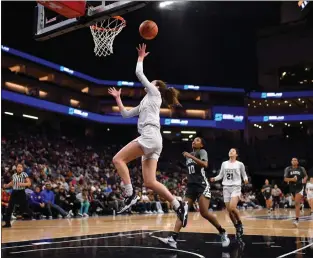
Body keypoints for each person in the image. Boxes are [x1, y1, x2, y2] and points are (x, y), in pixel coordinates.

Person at [108, 43, 188, 227]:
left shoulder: (155, 94)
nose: (149, 82)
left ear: (156, 87)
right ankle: (178, 204)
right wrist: (118, 99)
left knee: (118, 160)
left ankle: (130, 194)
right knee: (150, 182)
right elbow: (126, 114)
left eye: (152, 82)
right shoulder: (146, 100)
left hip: (150, 135)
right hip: (154, 139)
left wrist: (141, 57)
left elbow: (139, 74)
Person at [157, 137, 230, 249]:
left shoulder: (202, 152)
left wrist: (191, 156)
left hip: (202, 185)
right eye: (193, 140)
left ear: (201, 145)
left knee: (204, 213)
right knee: (183, 210)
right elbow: (193, 171)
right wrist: (187, 178)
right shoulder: (189, 155)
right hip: (191, 187)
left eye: (197, 140)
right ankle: (173, 239)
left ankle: (222, 232)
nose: (194, 141)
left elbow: (205, 165)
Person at [210, 148, 248, 243]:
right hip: (226, 187)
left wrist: (246, 179)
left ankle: (239, 223)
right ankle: (236, 227)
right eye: (230, 150)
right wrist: (214, 179)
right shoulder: (224, 163)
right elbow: (221, 175)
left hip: (236, 187)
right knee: (229, 211)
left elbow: (244, 175)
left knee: (232, 207)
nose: (231, 151)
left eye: (233, 151)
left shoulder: (240, 164)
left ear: (236, 154)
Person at [2, 163, 33, 228]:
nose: (19, 168)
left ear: (22, 168)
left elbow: (29, 183)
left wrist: (22, 184)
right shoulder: (14, 175)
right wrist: (6, 185)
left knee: (24, 207)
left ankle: (31, 214)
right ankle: (7, 223)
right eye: (18, 167)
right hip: (14, 192)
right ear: (16, 168)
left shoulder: (24, 174)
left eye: (20, 167)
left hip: (21, 192)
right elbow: (12, 183)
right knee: (9, 207)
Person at [284, 157, 308, 227]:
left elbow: (306, 176)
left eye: (295, 160)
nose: (294, 161)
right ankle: (299, 209)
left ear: (297, 162)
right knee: (296, 204)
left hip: (300, 187)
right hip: (292, 188)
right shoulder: (288, 169)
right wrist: (292, 179)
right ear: (291, 162)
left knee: (297, 202)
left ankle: (297, 220)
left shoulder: (301, 168)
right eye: (292, 160)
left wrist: (305, 179)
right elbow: (285, 179)